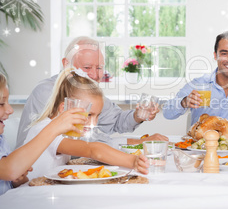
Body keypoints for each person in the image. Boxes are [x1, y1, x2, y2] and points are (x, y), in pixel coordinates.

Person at [16, 36, 167, 148]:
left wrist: (137, 115)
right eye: (87, 68)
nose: (95, 75)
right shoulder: (46, 92)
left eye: (99, 68)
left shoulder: (89, 91)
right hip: (29, 174)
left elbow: (116, 121)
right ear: (66, 64)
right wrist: (138, 142)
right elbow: (86, 141)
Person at [24, 69, 149, 180]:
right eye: (89, 115)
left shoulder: (66, 133)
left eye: (97, 116)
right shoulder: (47, 130)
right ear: (64, 108)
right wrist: (133, 161)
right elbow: (92, 149)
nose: (94, 123)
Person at [163, 30, 228, 135]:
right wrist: (184, 102)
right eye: (224, 53)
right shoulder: (198, 84)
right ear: (215, 55)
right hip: (202, 149)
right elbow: (167, 112)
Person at [0, 73, 86, 195]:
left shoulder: (1, 140)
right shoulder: (44, 128)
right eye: (1, 104)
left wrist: (18, 179)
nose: (10, 110)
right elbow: (9, 170)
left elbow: (10, 179)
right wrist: (55, 126)